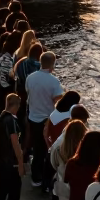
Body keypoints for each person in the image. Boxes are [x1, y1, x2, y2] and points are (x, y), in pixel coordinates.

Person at [24, 50, 63, 189]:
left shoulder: (31, 77)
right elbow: (57, 98)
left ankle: (36, 176)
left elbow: (28, 91)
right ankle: (42, 178)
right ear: (52, 64)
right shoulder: (54, 81)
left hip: (33, 116)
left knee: (37, 146)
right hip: (48, 119)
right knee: (47, 149)